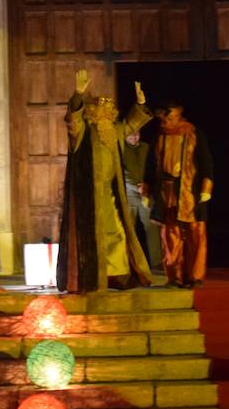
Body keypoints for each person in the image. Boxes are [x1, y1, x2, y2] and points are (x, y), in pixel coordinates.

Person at [57, 71, 155, 293]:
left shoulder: (115, 131)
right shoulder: (85, 130)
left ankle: (116, 274)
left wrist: (140, 103)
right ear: (94, 112)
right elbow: (72, 121)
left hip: (110, 194)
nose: (109, 113)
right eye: (104, 109)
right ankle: (93, 277)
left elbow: (131, 123)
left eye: (111, 110)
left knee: (117, 233)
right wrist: (78, 94)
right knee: (94, 236)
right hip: (90, 194)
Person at [152, 95, 213, 289]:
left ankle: (195, 276)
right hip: (168, 192)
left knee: (195, 233)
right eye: (163, 117)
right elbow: (153, 165)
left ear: (177, 114)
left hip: (190, 190)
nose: (166, 121)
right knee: (171, 235)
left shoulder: (193, 132)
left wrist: (206, 187)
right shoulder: (160, 135)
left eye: (169, 116)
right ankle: (174, 277)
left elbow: (206, 161)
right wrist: (148, 190)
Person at [121, 131, 161, 273]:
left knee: (152, 228)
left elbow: (152, 167)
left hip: (146, 192)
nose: (135, 137)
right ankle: (126, 264)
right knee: (128, 229)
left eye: (137, 133)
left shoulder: (146, 147)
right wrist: (135, 186)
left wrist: (147, 185)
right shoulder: (120, 148)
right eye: (131, 134)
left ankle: (157, 263)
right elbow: (122, 173)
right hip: (129, 193)